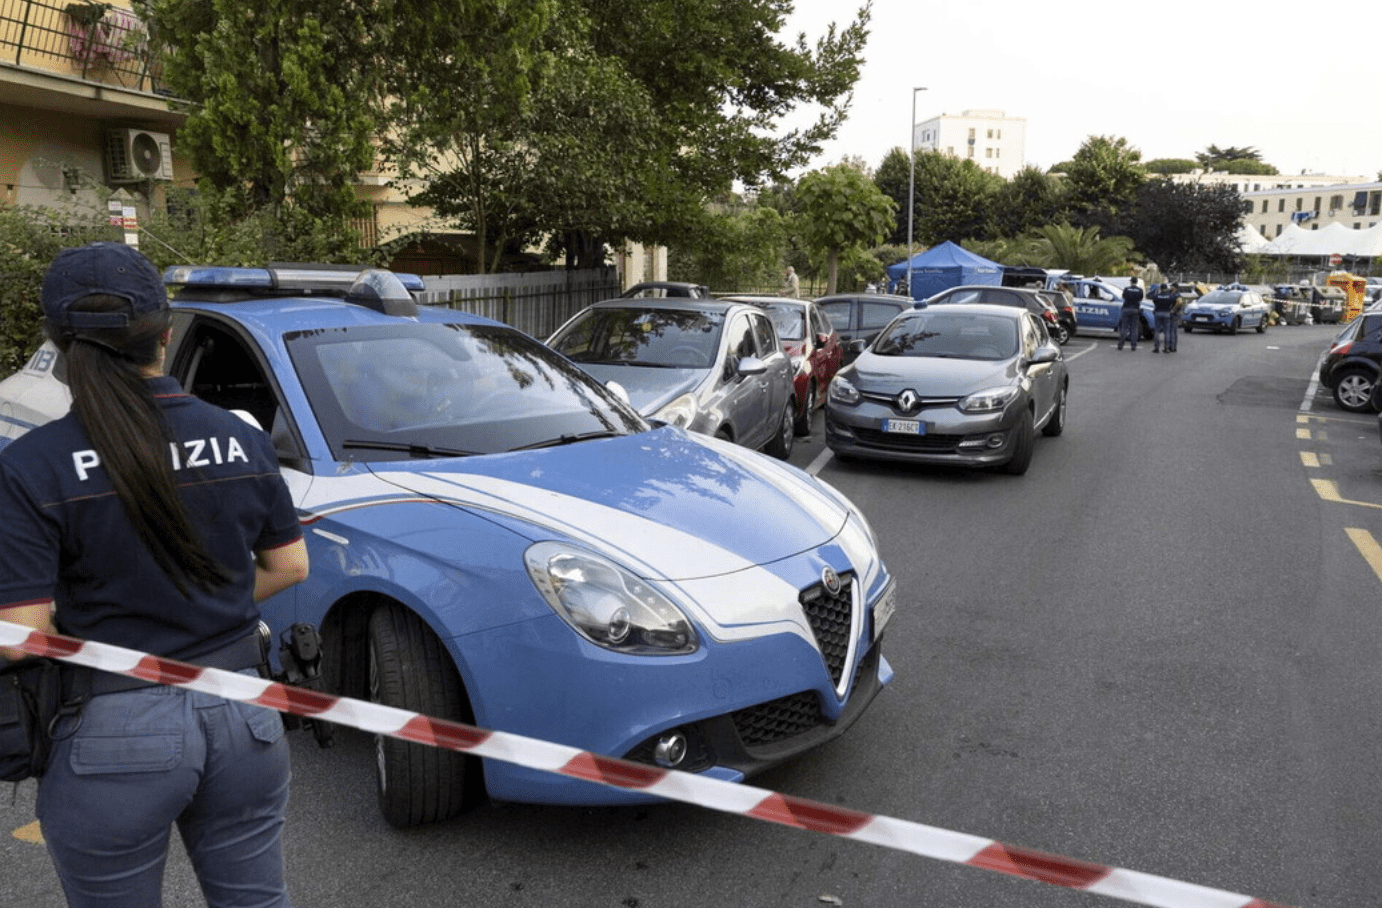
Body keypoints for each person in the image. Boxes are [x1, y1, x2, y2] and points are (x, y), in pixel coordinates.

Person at [0, 242, 309, 908]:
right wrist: (205, 598)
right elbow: (290, 565)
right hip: (244, 716)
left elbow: (21, 639)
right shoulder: (240, 438)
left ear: (59, 348)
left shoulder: (34, 465)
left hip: (112, 732)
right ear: (164, 338)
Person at [1150, 281, 1178, 353]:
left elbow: (1153, 299)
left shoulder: (1157, 296)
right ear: (1166, 289)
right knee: (1167, 332)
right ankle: (1166, 348)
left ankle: (1156, 348)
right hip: (1167, 313)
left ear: (1161, 289)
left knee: (1157, 331)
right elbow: (1175, 301)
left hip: (1158, 313)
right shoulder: (1170, 296)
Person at [1118, 276, 1144, 351]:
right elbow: (1140, 299)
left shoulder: (1126, 289)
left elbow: (1123, 297)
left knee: (1124, 328)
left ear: (1131, 282)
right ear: (1136, 282)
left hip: (1126, 309)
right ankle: (1133, 346)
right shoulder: (1140, 290)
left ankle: (1121, 345)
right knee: (1134, 328)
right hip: (1135, 309)